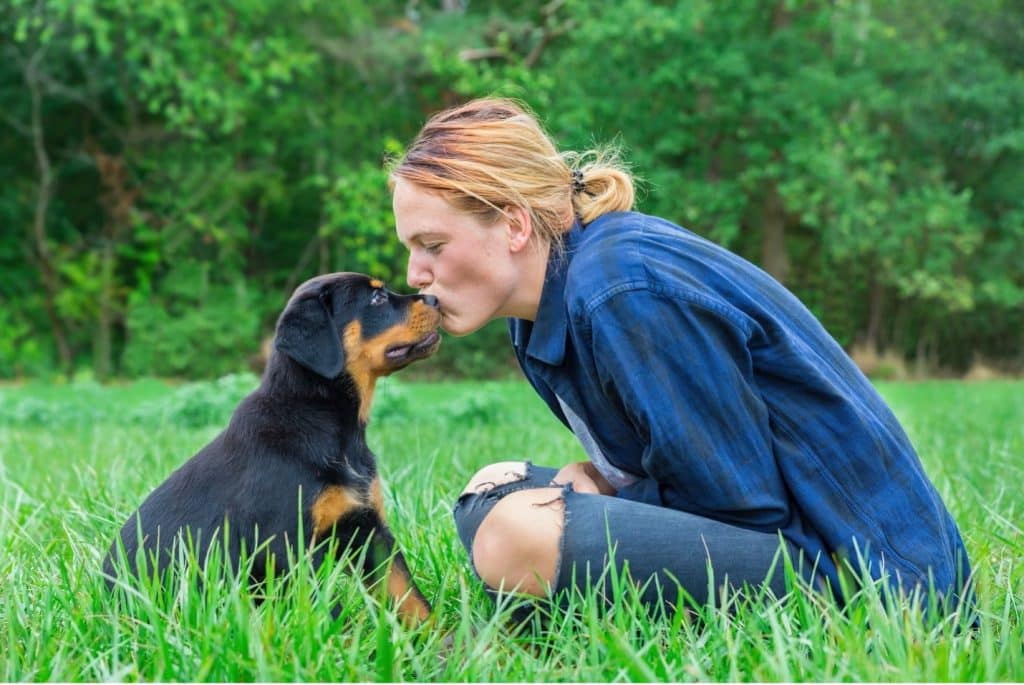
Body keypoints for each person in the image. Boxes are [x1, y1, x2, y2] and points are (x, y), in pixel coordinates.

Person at [388, 97, 971, 614]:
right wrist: (597, 486)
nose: (417, 274)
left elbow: (743, 504)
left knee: (515, 535)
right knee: (491, 490)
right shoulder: (534, 310)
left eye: (433, 245)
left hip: (864, 572)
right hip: (775, 534)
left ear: (514, 224)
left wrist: (606, 492)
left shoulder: (622, 289)